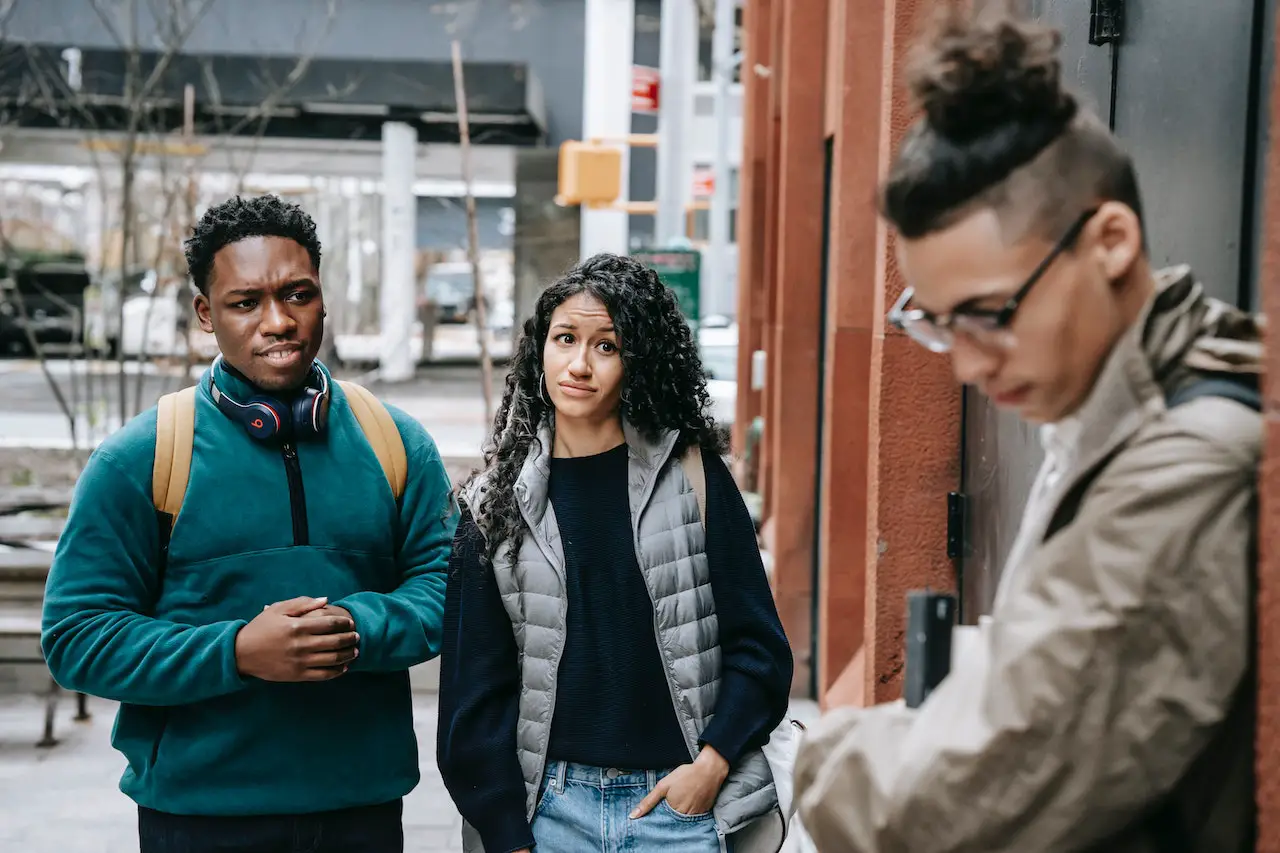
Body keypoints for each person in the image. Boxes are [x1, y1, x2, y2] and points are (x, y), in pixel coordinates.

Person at [792, 7, 1261, 853]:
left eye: (988, 315)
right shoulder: (1105, 419)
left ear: (1111, 239)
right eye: (937, 324)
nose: (967, 365)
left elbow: (968, 794)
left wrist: (816, 759)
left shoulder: (1189, 463)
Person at [41, 194, 457, 853]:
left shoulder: (395, 443)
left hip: (362, 810)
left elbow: (448, 590)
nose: (279, 322)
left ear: (323, 297)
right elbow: (78, 635)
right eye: (245, 302)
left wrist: (355, 629)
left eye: (298, 295)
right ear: (206, 314)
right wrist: (237, 651)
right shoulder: (140, 458)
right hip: (198, 816)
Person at [437, 253, 795, 853]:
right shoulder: (492, 502)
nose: (579, 364)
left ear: (639, 362)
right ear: (540, 350)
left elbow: (759, 648)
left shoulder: (694, 477)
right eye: (565, 339)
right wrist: (507, 831)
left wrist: (711, 765)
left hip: (678, 809)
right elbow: (473, 692)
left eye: (607, 346)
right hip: (547, 811)